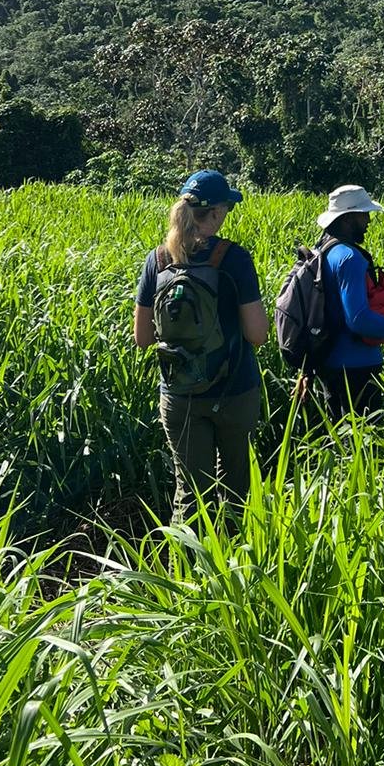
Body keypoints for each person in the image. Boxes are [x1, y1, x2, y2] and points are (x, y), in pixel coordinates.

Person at [133, 170, 268, 522]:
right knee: (235, 491)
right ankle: (234, 566)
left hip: (180, 394)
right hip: (235, 390)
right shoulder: (233, 258)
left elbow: (143, 338)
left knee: (190, 494)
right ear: (217, 213)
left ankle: (185, 571)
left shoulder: (158, 259)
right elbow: (257, 334)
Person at [311, 184, 384, 419]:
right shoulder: (350, 258)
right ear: (348, 219)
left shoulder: (324, 251)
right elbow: (359, 320)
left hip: (329, 362)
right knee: (364, 444)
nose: (368, 221)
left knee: (340, 442)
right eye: (364, 214)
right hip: (356, 368)